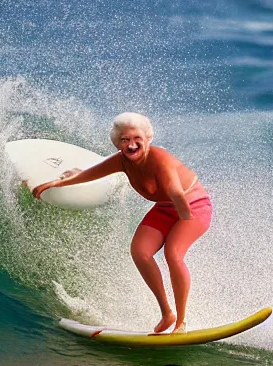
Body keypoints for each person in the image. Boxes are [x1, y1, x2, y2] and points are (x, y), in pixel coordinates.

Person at [32, 112, 212, 334]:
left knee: (173, 254)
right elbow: (91, 174)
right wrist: (53, 184)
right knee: (140, 252)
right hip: (165, 208)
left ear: (148, 138)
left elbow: (176, 191)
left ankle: (181, 322)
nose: (131, 144)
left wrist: (186, 220)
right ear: (118, 143)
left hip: (193, 206)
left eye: (137, 138)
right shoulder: (122, 161)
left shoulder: (161, 160)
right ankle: (167, 313)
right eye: (125, 140)